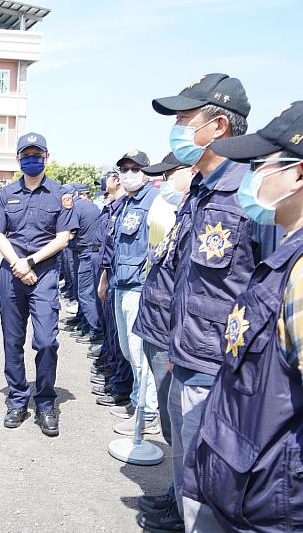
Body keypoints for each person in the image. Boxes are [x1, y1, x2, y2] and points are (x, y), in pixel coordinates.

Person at [148, 73, 276, 531]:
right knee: (189, 478)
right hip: (187, 358)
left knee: (213, 494)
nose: (178, 128)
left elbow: (270, 290)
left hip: (221, 370)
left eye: (186, 118)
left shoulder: (252, 193)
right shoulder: (199, 191)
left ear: (218, 126)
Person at [188, 100, 303, 531]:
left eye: (261, 163)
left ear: (297, 173)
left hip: (274, 503)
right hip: (249, 488)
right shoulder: (288, 254)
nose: (251, 175)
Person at [0, 132, 78, 437]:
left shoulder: (60, 194)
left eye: (37, 154)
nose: (32, 158)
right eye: (26, 154)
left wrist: (32, 262)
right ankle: (17, 400)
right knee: (12, 341)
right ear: (18, 158)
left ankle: (46, 401)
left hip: (45, 274)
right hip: (11, 273)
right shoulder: (6, 193)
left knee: (46, 341)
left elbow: (63, 238)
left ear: (47, 157)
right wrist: (17, 263)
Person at [129, 153, 194, 531]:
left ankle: (183, 504)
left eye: (171, 173)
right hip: (156, 326)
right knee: (173, 427)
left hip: (174, 334)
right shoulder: (176, 211)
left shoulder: (199, 212)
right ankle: (176, 491)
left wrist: (176, 341)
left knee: (182, 426)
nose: (165, 181)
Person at [97, 150, 162, 438]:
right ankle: (137, 402)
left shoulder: (155, 202)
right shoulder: (125, 203)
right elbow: (114, 247)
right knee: (127, 349)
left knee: (139, 352)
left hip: (140, 286)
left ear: (147, 172)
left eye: (136, 168)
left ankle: (148, 414)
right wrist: (106, 278)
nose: (129, 173)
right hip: (121, 284)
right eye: (124, 169)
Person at [92, 170, 133, 409]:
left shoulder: (126, 206)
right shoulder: (113, 207)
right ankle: (114, 374)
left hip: (122, 275)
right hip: (110, 272)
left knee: (121, 336)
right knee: (112, 331)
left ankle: (121, 385)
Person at [67, 183, 103, 345]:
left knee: (85, 294)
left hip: (87, 252)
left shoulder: (76, 207)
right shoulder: (89, 205)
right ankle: (87, 324)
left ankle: (95, 331)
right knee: (88, 293)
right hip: (91, 251)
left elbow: (69, 234)